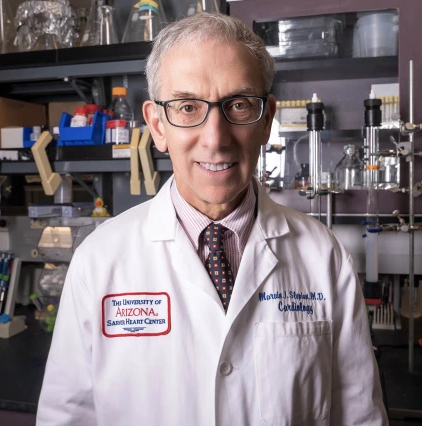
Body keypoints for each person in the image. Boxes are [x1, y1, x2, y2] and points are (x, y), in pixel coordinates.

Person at [37, 12, 388, 426]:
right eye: (187, 107)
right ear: (157, 125)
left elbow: (359, 416)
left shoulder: (322, 255)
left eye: (238, 105)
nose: (216, 137)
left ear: (266, 119)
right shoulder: (99, 260)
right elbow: (68, 418)